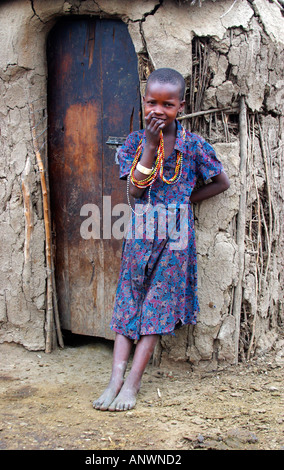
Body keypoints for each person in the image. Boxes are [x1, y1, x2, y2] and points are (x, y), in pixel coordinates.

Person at [93, 68, 230, 412]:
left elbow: (221, 183)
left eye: (167, 104)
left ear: (180, 106)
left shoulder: (194, 146)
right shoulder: (134, 144)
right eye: (152, 102)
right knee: (129, 301)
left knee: (156, 305)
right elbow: (135, 191)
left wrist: (184, 202)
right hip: (140, 232)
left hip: (176, 239)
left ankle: (133, 384)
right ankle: (114, 379)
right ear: (144, 101)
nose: (158, 110)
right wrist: (151, 146)